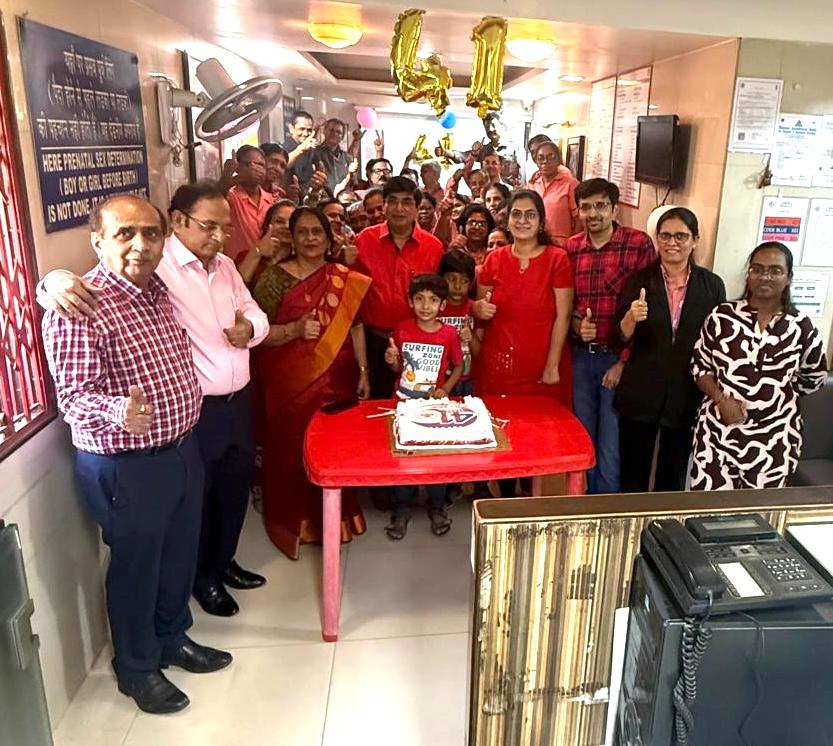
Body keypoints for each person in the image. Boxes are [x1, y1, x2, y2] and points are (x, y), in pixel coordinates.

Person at [39, 182, 273, 617]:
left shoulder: (218, 268)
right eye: (209, 226)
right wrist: (51, 282)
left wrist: (252, 329)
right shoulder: (158, 269)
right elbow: (81, 288)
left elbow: (254, 309)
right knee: (171, 533)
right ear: (179, 222)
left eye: (225, 228)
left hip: (230, 405)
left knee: (230, 492)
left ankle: (220, 566)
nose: (220, 237)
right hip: (176, 426)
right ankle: (199, 586)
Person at [41, 196, 230, 714]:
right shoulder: (80, 305)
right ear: (97, 241)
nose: (140, 245)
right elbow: (72, 398)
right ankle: (137, 667)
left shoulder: (157, 290)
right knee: (137, 568)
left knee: (178, 555)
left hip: (181, 450)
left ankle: (172, 638)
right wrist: (118, 410)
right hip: (127, 465)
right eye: (125, 233)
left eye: (151, 233)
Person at [252, 207, 372, 558]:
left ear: (328, 238)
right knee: (290, 451)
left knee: (334, 451)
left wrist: (364, 371)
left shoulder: (343, 277)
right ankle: (294, 523)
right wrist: (294, 331)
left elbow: (356, 327)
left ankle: (337, 519)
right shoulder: (273, 279)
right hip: (289, 385)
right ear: (291, 237)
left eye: (316, 231)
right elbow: (258, 334)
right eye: (302, 232)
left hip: (338, 382)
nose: (309, 238)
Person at [690, 241, 827, 490]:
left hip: (774, 441)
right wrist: (721, 399)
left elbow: (814, 377)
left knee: (760, 512)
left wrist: (773, 398)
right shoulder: (723, 316)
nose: (765, 276)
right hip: (718, 435)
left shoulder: (801, 327)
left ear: (788, 277)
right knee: (710, 510)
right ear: (749, 273)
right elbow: (700, 367)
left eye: (775, 270)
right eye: (757, 269)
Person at [614, 208, 726, 493]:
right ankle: (632, 519)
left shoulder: (711, 285)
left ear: (695, 240)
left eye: (681, 236)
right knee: (633, 474)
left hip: (686, 394)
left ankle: (665, 522)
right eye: (665, 236)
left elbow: (717, 341)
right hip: (641, 392)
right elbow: (620, 336)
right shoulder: (639, 280)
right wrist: (631, 317)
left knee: (672, 476)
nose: (672, 242)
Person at [565, 178, 655, 494]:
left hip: (619, 359)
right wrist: (577, 326)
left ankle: (605, 508)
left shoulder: (638, 244)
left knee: (611, 441)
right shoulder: (572, 248)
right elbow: (567, 304)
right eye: (586, 207)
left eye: (601, 206)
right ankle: (582, 504)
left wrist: (623, 363)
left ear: (614, 209)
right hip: (582, 358)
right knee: (583, 437)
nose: (593, 214)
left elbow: (648, 308)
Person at [384, 274, 462, 539]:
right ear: (410, 302)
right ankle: (401, 511)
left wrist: (446, 389)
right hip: (403, 405)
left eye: (433, 300)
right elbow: (397, 368)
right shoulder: (402, 329)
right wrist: (391, 360)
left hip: (434, 407)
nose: (426, 306)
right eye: (419, 299)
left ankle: (437, 507)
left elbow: (459, 366)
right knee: (404, 458)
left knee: (434, 459)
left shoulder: (448, 334)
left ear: (443, 305)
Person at [354, 176, 445, 399]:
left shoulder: (433, 247)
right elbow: (353, 297)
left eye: (406, 202)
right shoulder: (364, 240)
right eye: (392, 201)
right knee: (374, 408)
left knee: (418, 409)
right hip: (373, 341)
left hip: (419, 343)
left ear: (417, 208)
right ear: (384, 205)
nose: (399, 208)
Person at [438, 250, 481, 396]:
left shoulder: (475, 309)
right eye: (452, 279)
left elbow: (479, 353)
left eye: (464, 281)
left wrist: (471, 337)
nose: (457, 286)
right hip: (438, 382)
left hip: (468, 381)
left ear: (471, 283)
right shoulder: (433, 309)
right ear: (441, 278)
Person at [224, 145, 276, 262]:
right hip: (236, 267)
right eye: (247, 164)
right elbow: (213, 199)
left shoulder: (272, 200)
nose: (255, 168)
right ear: (237, 168)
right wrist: (227, 177)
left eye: (260, 164)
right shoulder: (230, 196)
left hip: (265, 267)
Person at [527, 141, 579, 248]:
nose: (545, 161)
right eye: (541, 158)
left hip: (561, 246)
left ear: (558, 160)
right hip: (534, 244)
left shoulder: (571, 185)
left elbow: (578, 220)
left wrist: (573, 244)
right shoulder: (532, 185)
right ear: (536, 161)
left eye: (551, 157)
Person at [236, 199, 295, 286]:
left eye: (292, 222)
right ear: (267, 225)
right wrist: (257, 252)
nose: (286, 226)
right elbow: (237, 287)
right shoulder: (245, 256)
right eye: (279, 221)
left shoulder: (302, 261)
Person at [451, 203, 495, 267]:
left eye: (482, 224)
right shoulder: (456, 248)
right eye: (472, 223)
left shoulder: (493, 249)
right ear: (462, 226)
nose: (477, 227)